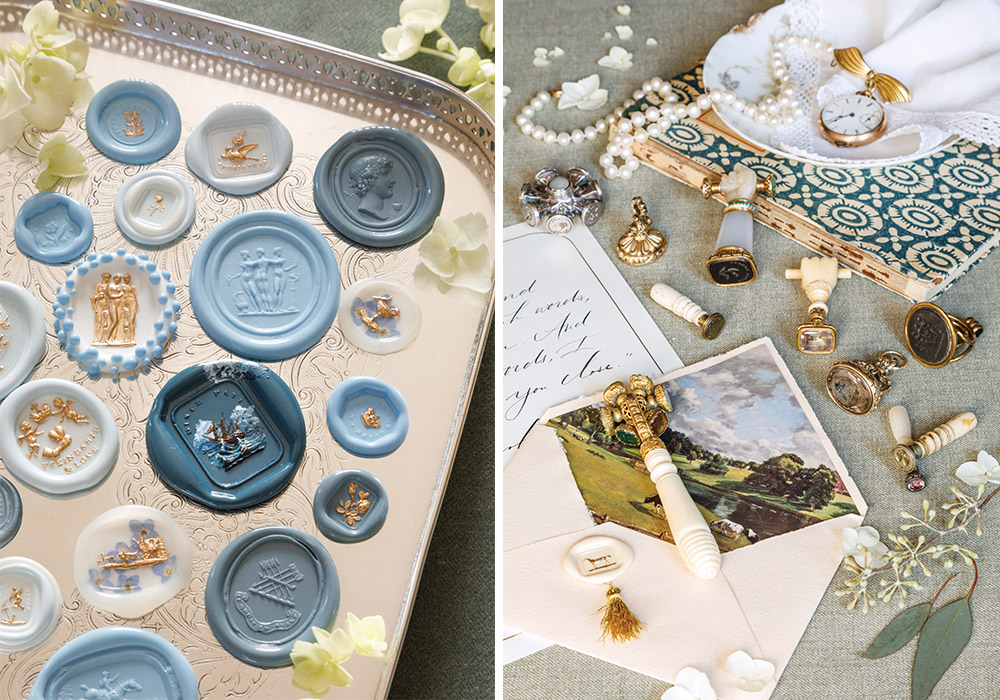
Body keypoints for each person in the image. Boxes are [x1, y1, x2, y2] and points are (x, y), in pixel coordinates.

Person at [348, 154, 396, 220]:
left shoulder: (386, 214)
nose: (393, 180)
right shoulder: (367, 210)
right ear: (369, 179)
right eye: (386, 174)